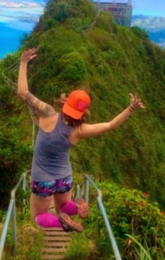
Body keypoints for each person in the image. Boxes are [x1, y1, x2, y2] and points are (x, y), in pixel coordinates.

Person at [18, 48, 145, 232]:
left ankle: (60, 222)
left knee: (38, 216)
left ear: (65, 101)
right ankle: (76, 209)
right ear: (83, 112)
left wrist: (23, 63)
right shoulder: (80, 130)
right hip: (64, 178)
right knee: (63, 206)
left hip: (42, 178)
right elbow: (110, 125)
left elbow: (23, 92)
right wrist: (131, 109)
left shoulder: (47, 112)